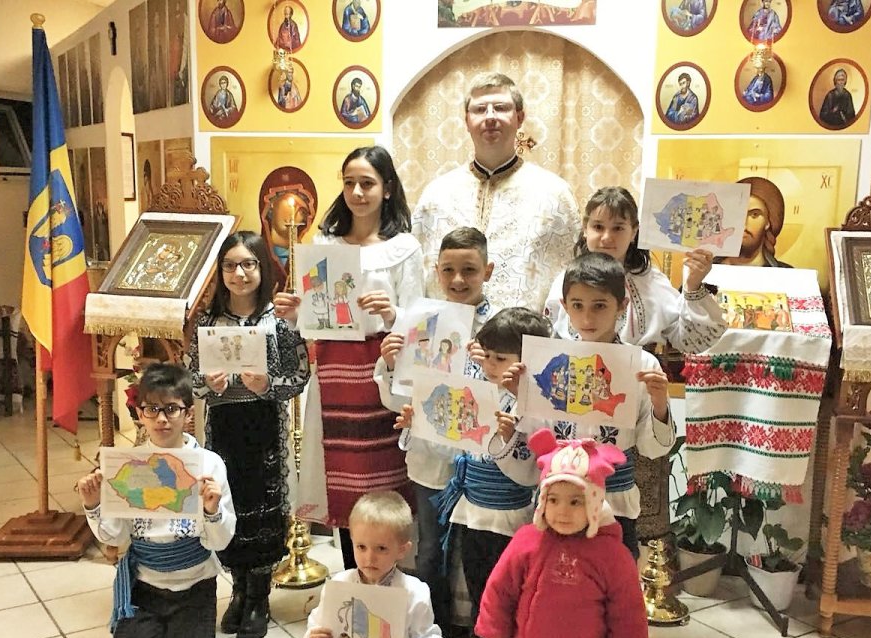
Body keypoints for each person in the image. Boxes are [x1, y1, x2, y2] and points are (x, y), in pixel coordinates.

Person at [276, 146, 425, 569]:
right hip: (335, 376)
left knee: (384, 481)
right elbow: (314, 317)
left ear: (387, 188)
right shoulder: (325, 245)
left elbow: (418, 322)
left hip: (382, 376)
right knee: (342, 478)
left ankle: (392, 583)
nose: (357, 192)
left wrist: (392, 314)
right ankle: (351, 578)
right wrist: (294, 312)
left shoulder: (404, 248)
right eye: (350, 183)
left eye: (367, 183)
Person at [403, 307, 551, 638]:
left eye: (501, 359)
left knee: (508, 595)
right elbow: (453, 445)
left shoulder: (535, 404)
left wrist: (507, 437)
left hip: (510, 519)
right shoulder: (478, 392)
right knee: (478, 589)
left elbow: (530, 472)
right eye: (487, 357)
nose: (490, 366)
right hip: (472, 512)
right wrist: (418, 424)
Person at [186, 233, 310, 638]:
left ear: (262, 267)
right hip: (223, 427)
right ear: (220, 272)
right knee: (227, 500)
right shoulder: (206, 323)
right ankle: (238, 590)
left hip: (264, 426)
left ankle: (259, 596)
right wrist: (208, 384)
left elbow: (299, 376)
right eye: (230, 266)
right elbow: (191, 381)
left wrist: (268, 385)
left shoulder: (280, 321)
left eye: (248, 264)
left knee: (263, 505)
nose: (239, 274)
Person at [512, 254, 676, 560]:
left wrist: (658, 403)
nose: (587, 318)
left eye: (599, 306)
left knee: (613, 574)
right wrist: (519, 394)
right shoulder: (549, 360)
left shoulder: (642, 364)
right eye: (577, 305)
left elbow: (652, 448)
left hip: (615, 497)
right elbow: (536, 436)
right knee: (554, 572)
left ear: (622, 305)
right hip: (559, 495)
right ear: (564, 306)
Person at [76, 363, 236, 638]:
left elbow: (221, 541)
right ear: (139, 414)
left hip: (196, 586)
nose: (162, 419)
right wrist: (93, 504)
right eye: (152, 409)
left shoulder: (209, 465)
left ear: (188, 413)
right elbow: (116, 537)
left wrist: (211, 511)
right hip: (144, 586)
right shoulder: (127, 465)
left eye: (172, 409)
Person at [375, 226, 496, 627]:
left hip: (483, 462)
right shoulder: (418, 321)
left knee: (481, 549)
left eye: (469, 270)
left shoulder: (502, 328)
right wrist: (392, 364)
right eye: (448, 270)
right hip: (430, 458)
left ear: (488, 271)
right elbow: (395, 400)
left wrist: (489, 368)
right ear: (436, 271)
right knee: (430, 550)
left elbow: (514, 393)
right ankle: (435, 626)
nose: (458, 280)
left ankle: (484, 631)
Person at [475, 429, 649, 638]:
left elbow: (628, 614)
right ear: (542, 502)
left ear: (594, 504)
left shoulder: (611, 554)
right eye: (553, 500)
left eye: (575, 502)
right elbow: (500, 589)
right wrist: (494, 633)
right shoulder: (527, 541)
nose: (562, 511)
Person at [411, 72, 580, 313]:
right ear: (467, 121)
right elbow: (417, 277)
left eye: (500, 108)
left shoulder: (554, 194)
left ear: (519, 118)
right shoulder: (436, 195)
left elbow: (572, 277)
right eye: (480, 109)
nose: (490, 117)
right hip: (447, 332)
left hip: (523, 334)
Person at [543, 187, 726, 355]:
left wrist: (693, 286)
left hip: (639, 374)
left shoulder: (652, 283)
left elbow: (693, 343)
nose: (606, 237)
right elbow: (548, 343)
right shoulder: (565, 281)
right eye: (598, 227)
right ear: (585, 228)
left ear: (633, 232)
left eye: (618, 228)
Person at [301, 491, 446, 638]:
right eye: (361, 547)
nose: (369, 558)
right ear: (352, 542)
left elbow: (430, 636)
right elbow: (316, 625)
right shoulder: (338, 586)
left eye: (381, 548)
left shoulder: (415, 592)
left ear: (402, 550)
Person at [720, 176, 792, 268]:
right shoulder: (707, 270)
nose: (743, 224)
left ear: (768, 222)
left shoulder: (786, 273)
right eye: (737, 213)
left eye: (754, 215)